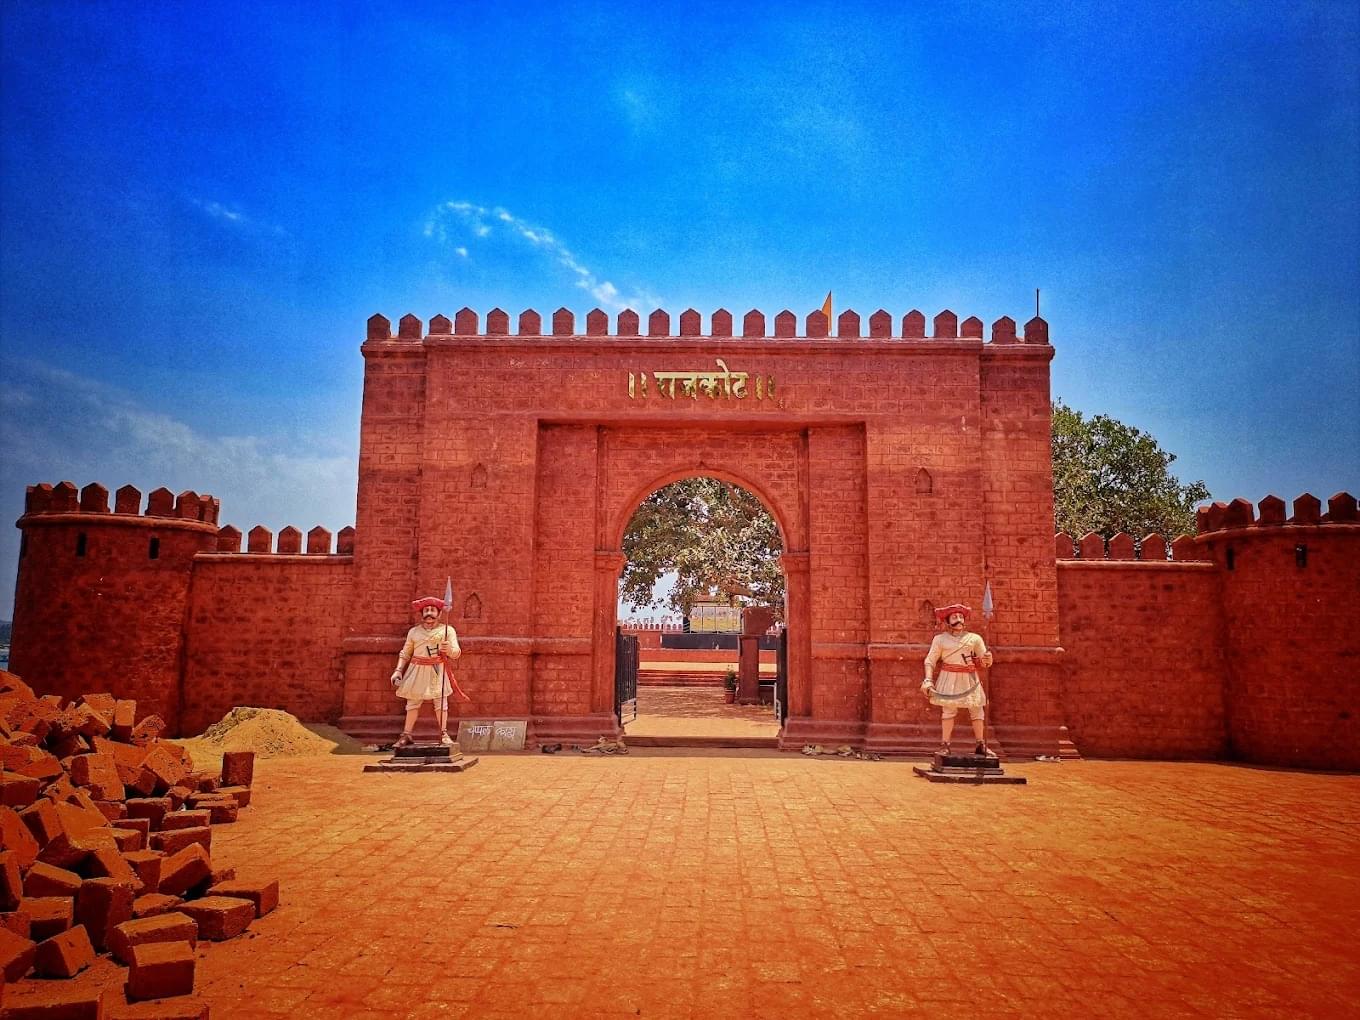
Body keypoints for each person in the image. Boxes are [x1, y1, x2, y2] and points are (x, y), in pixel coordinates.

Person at [921, 603, 995, 757]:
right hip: (949, 677)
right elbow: (930, 660)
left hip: (970, 678)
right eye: (954, 617)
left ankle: (980, 744)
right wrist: (928, 679)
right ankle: (945, 745)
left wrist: (988, 659)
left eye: (961, 616)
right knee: (948, 711)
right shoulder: (940, 639)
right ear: (948, 621)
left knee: (977, 710)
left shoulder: (975, 638)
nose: (959, 619)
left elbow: (984, 662)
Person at [390, 596, 462, 748]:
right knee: (412, 703)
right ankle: (406, 734)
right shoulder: (414, 632)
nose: (429, 613)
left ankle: (443, 734)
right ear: (422, 613)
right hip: (416, 669)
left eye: (432, 610)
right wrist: (398, 670)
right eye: (426, 610)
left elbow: (456, 652)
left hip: (437, 670)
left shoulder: (447, 630)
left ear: (439, 613)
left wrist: (449, 649)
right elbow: (405, 652)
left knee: (441, 703)